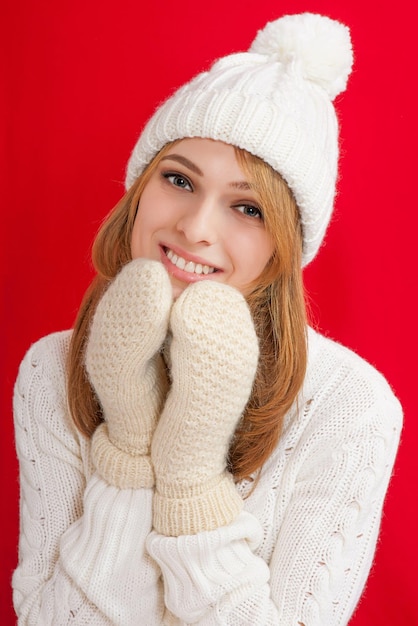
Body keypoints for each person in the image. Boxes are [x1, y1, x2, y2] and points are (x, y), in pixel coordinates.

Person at [12, 12, 402, 626]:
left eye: (247, 207)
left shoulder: (349, 404)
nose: (195, 229)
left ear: (285, 245)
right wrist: (130, 447)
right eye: (178, 180)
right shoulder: (49, 369)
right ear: (141, 188)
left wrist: (191, 480)